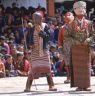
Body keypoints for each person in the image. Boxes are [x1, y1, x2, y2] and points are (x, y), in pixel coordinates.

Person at [24, 11, 57, 92]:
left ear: (41, 18)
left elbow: (48, 38)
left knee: (47, 68)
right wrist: (30, 45)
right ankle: (28, 87)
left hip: (44, 51)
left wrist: (40, 31)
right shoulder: (31, 28)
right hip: (35, 51)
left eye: (37, 18)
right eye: (34, 18)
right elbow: (28, 39)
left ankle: (51, 86)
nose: (35, 20)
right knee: (33, 68)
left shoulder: (45, 26)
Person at [70, 1, 95, 91]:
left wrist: (88, 40)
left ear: (85, 10)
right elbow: (67, 36)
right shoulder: (71, 23)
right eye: (79, 8)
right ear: (75, 10)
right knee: (77, 68)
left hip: (86, 48)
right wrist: (74, 41)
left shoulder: (89, 23)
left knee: (86, 67)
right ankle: (79, 86)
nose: (81, 10)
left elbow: (93, 34)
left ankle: (87, 85)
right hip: (76, 49)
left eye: (83, 8)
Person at [58, 12, 74, 83]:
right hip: (66, 46)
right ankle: (69, 77)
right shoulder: (62, 28)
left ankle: (75, 78)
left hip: (74, 46)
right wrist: (60, 47)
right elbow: (60, 39)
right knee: (67, 63)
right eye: (66, 17)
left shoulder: (76, 26)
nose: (67, 18)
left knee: (74, 62)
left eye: (69, 16)